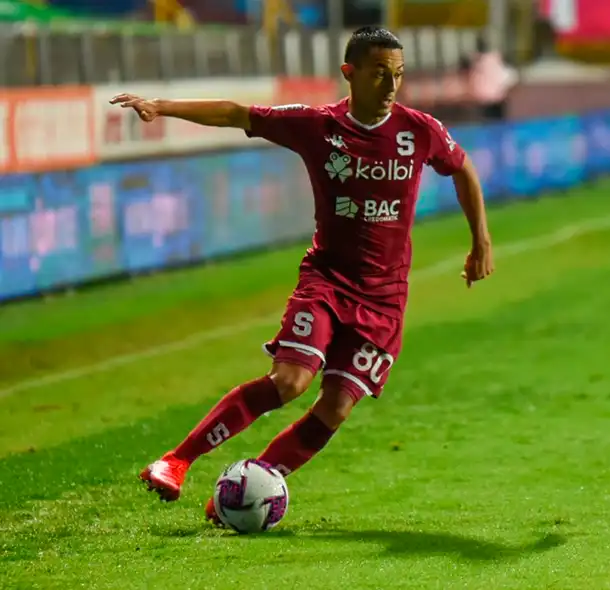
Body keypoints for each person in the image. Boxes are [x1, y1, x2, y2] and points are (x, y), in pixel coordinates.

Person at [112, 26, 494, 524]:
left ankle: (247, 487)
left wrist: (480, 241)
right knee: (289, 382)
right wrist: (161, 106)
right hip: (328, 284)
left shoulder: (418, 130)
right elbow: (236, 113)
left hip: (384, 301)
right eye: (380, 73)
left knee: (334, 409)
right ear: (350, 73)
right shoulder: (318, 125)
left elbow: (461, 168)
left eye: (398, 74)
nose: (392, 84)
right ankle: (175, 461)